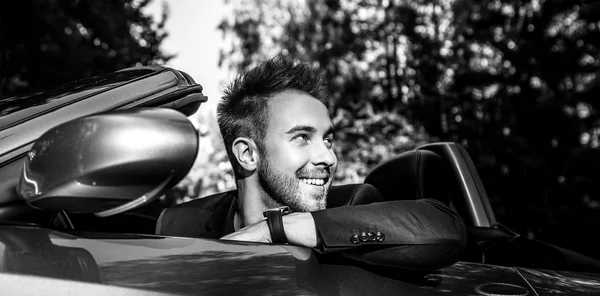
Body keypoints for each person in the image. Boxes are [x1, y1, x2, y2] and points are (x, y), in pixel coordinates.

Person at [156, 56, 467, 269]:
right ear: (247, 154)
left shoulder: (353, 207)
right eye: (302, 137)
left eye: (327, 140)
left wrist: (274, 229)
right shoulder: (180, 227)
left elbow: (445, 229)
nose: (328, 157)